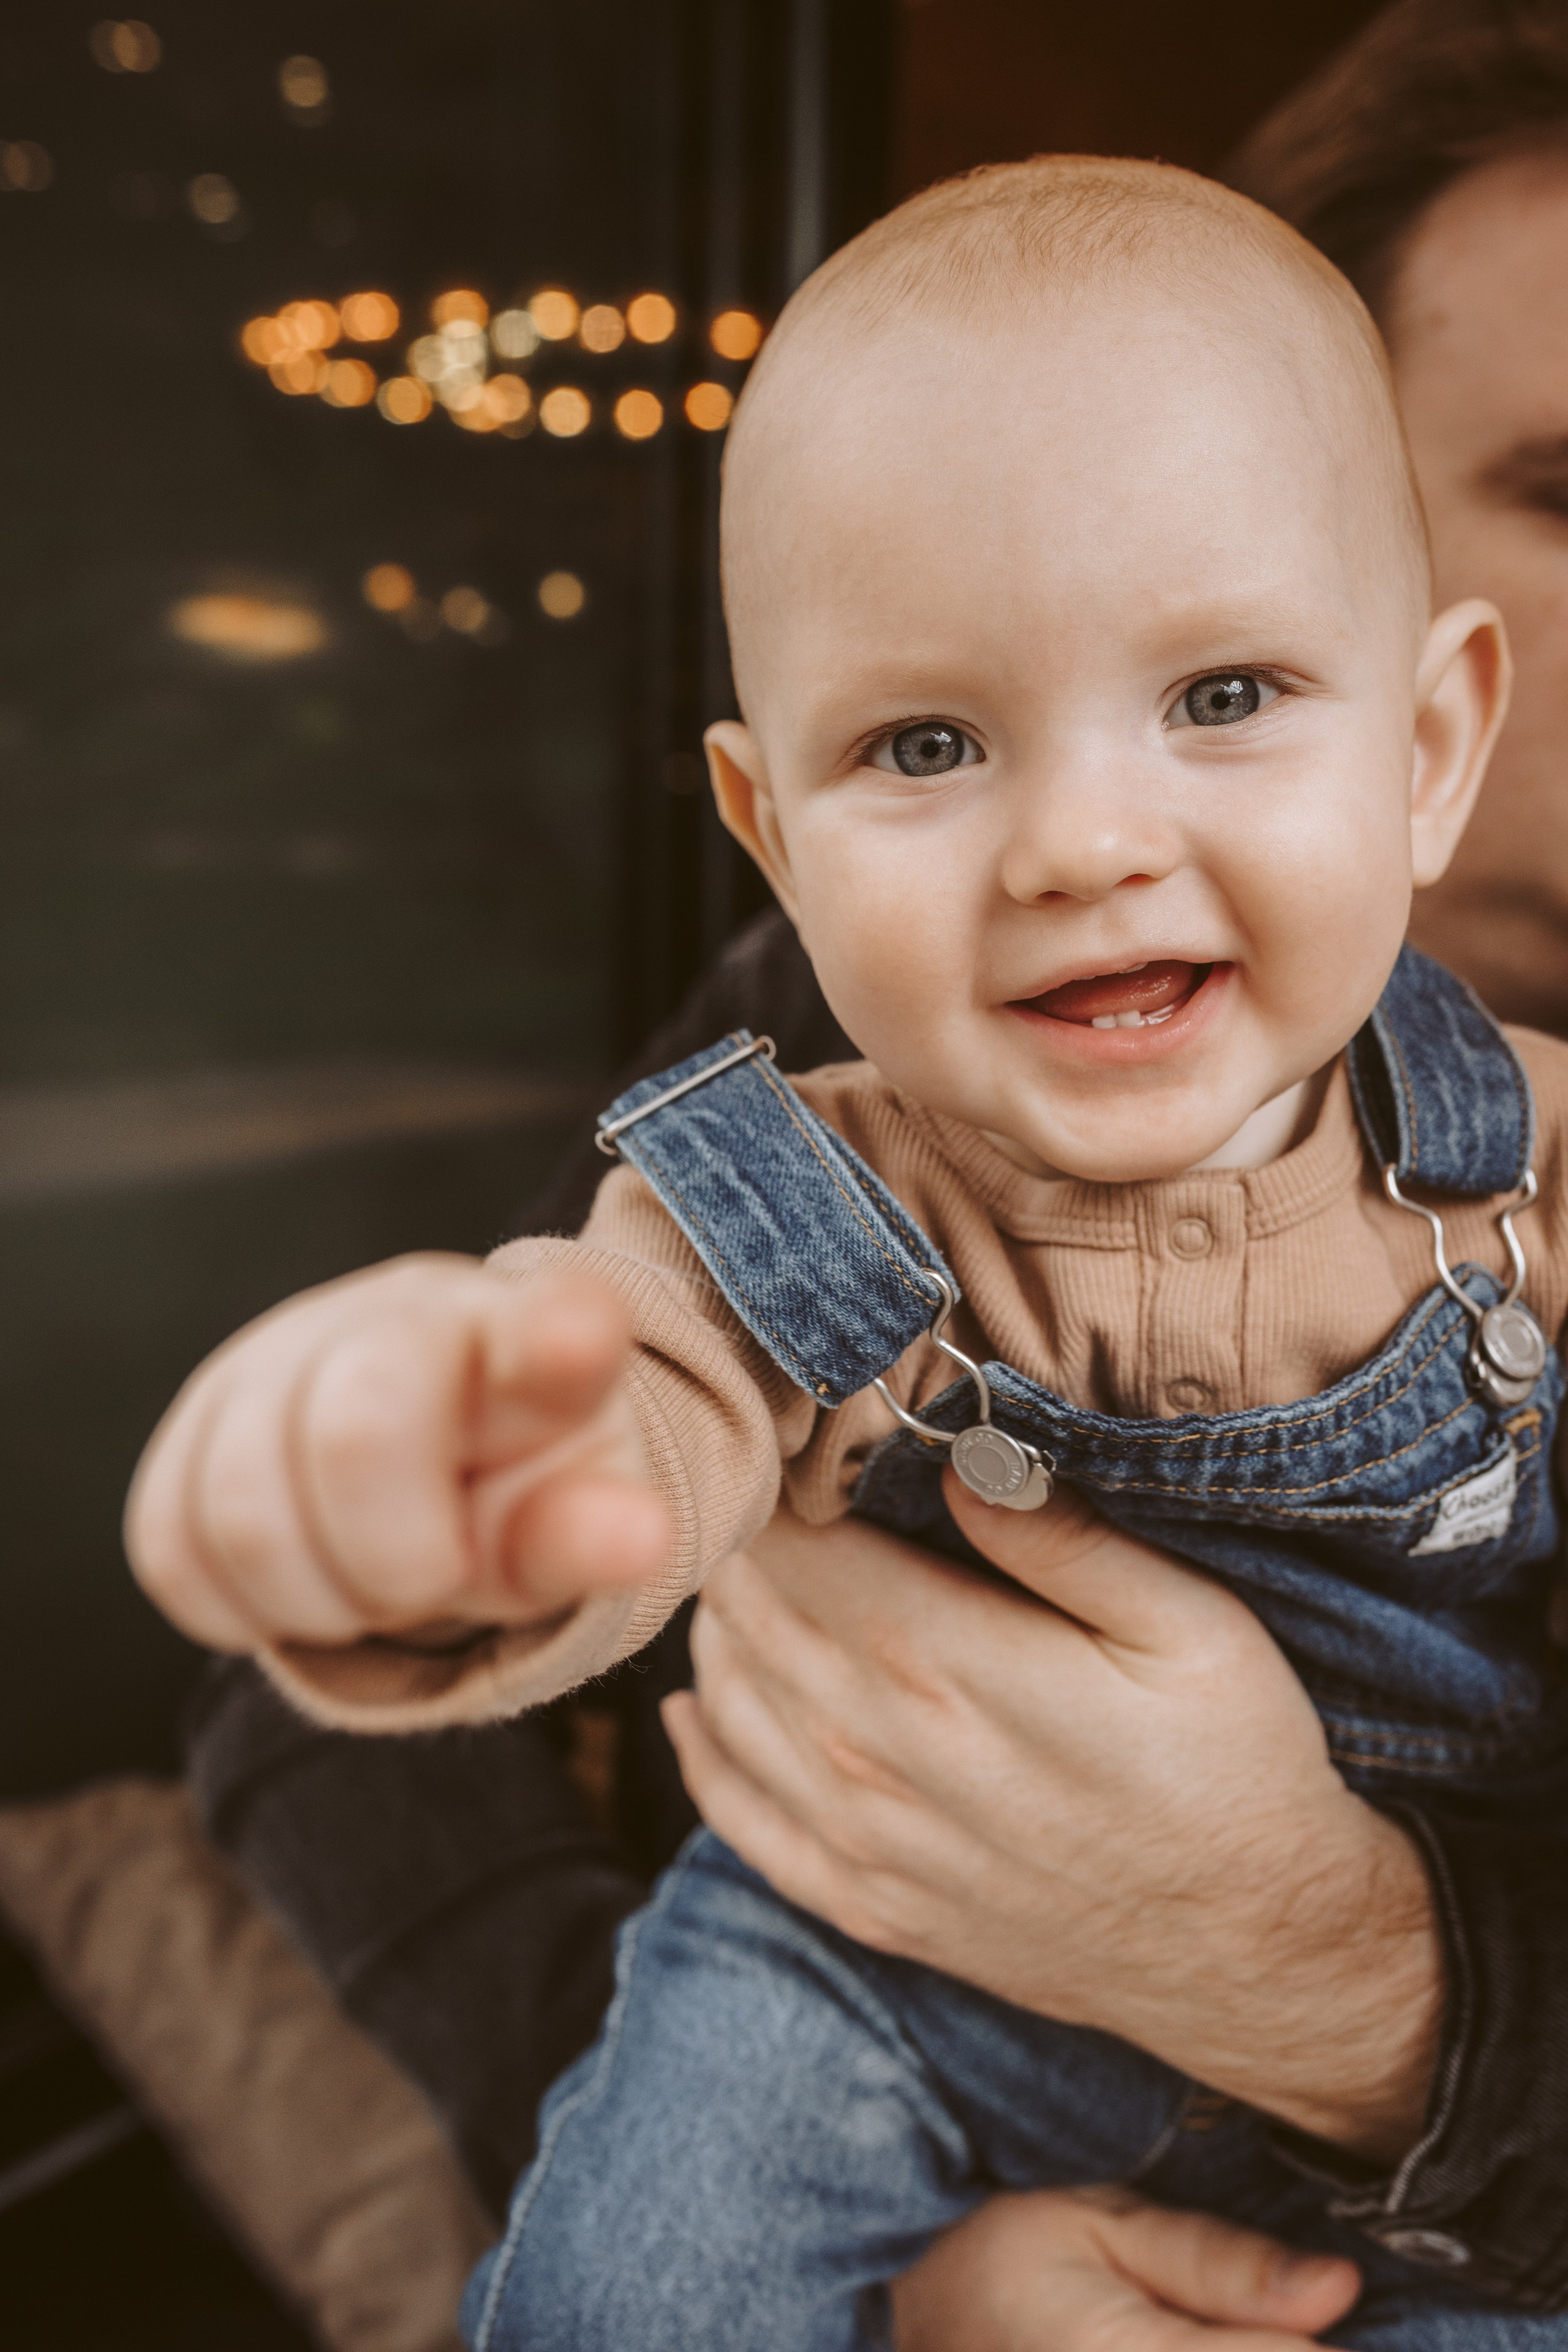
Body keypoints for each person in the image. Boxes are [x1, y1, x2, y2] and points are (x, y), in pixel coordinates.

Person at [176, 3, 1568, 2339]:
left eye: (1222, 695)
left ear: (1435, 708)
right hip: (858, 2016)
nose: (1089, 840)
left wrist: (1338, 1977)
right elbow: (631, 1394)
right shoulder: (860, 1063)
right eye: (932, 738)